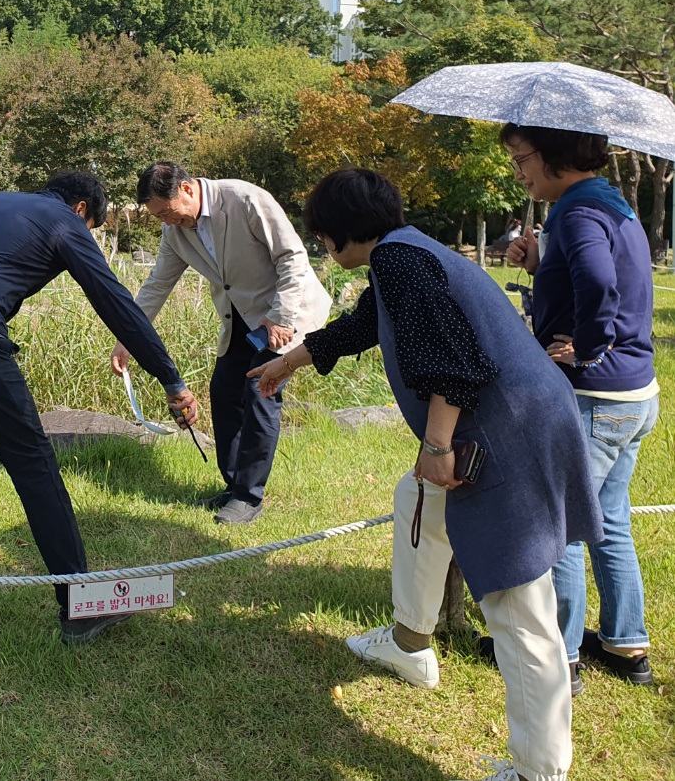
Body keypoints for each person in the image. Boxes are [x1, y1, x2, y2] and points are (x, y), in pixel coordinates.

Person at [251, 168, 600, 781]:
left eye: (321, 234)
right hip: (523, 421)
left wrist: (437, 444)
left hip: (507, 438)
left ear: (338, 231)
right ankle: (410, 643)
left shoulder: (399, 261)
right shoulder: (404, 252)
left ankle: (538, 770)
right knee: (416, 495)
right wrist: (290, 361)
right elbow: (365, 325)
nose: (321, 246)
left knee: (518, 608)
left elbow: (454, 363)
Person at [0, 172, 199, 645]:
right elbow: (115, 303)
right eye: (91, 229)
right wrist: (171, 379)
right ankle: (79, 606)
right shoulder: (64, 221)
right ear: (82, 209)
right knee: (33, 461)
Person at [504, 124, 657, 691]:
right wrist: (539, 264)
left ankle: (560, 658)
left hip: (595, 397)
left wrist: (590, 346)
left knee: (562, 523)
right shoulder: (609, 202)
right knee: (609, 520)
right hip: (635, 395)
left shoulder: (576, 211)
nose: (518, 172)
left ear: (553, 156)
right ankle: (625, 643)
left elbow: (597, 280)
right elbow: (591, 273)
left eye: (521, 159)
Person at [111, 162, 331, 524]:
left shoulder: (245, 199)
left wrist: (281, 316)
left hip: (286, 312)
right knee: (225, 391)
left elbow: (292, 257)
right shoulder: (175, 231)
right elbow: (157, 285)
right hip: (240, 319)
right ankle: (233, 487)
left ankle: (249, 497)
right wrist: (127, 338)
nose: (166, 221)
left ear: (186, 188)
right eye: (158, 217)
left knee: (261, 393)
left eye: (167, 212)